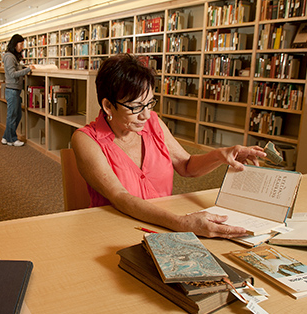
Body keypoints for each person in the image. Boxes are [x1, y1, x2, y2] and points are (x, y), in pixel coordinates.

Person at [71, 54, 266, 239]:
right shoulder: (86, 140)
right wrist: (180, 224)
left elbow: (187, 165)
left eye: (149, 104)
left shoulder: (153, 123)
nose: (146, 115)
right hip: (112, 229)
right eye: (136, 107)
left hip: (164, 226)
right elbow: (120, 196)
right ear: (107, 106)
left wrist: (221, 155)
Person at [1, 34, 33, 147]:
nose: (22, 47)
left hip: (14, 90)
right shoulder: (9, 57)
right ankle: (12, 139)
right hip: (12, 89)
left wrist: (24, 68)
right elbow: (12, 74)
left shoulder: (12, 56)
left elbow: (15, 69)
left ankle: (6, 137)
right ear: (15, 44)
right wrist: (27, 70)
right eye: (21, 44)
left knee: (16, 114)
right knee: (13, 115)